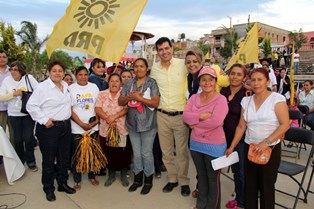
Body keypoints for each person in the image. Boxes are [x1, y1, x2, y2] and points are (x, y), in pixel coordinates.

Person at [225, 67, 290, 209]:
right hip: (250, 148)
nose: (256, 83)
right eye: (253, 80)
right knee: (250, 186)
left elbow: (285, 125)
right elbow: (241, 127)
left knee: (266, 186)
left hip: (270, 149)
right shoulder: (246, 101)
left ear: (267, 81)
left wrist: (266, 142)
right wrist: (232, 146)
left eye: (260, 80)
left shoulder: (277, 99)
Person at [27, 60, 76, 202]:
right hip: (49, 129)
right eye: (54, 70)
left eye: (60, 70)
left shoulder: (66, 86)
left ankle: (62, 183)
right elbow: (31, 106)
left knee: (64, 158)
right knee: (48, 161)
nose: (57, 73)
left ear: (64, 72)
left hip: (65, 126)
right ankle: (48, 188)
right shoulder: (42, 88)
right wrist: (44, 119)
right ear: (49, 72)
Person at [182, 66, 228, 209]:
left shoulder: (221, 99)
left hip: (214, 146)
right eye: (203, 80)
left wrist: (194, 124)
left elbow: (216, 121)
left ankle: (212, 207)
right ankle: (200, 205)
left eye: (210, 80)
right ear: (199, 82)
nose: (207, 83)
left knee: (213, 179)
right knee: (201, 177)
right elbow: (185, 116)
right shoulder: (194, 97)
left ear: (215, 81)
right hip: (196, 145)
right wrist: (200, 117)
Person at [150, 37, 191, 196]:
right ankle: (172, 179)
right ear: (157, 52)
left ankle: (184, 181)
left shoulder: (183, 64)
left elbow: (199, 71)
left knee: (181, 152)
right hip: (162, 115)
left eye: (167, 48)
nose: (164, 52)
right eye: (161, 49)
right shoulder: (154, 69)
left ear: (171, 48)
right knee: (166, 151)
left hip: (181, 115)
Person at [118, 58, 160, 195]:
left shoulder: (151, 82)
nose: (138, 69)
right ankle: (137, 179)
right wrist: (129, 97)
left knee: (146, 153)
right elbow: (120, 100)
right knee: (136, 154)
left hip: (148, 124)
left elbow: (155, 103)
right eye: (136, 66)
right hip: (132, 124)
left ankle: (148, 180)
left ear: (146, 68)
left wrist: (140, 98)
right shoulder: (129, 82)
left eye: (142, 66)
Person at [0, 61, 38, 171]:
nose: (12, 72)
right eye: (11, 69)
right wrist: (13, 94)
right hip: (13, 114)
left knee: (28, 138)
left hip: (27, 113)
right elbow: (1, 97)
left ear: (21, 70)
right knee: (17, 139)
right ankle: (20, 160)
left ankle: (31, 161)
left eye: (15, 69)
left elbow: (39, 92)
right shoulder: (7, 81)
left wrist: (24, 94)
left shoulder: (28, 78)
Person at [95, 73, 131, 187]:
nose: (114, 83)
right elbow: (97, 108)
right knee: (109, 152)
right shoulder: (102, 94)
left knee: (123, 152)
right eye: (112, 81)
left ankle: (123, 174)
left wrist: (114, 117)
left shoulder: (124, 94)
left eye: (117, 81)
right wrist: (107, 118)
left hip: (121, 128)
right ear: (108, 82)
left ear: (120, 83)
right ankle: (111, 175)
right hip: (106, 128)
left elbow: (127, 109)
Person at [68, 66, 100, 191]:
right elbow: (70, 110)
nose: (83, 77)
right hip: (77, 128)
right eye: (80, 74)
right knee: (77, 155)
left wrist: (96, 121)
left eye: (85, 74)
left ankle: (92, 176)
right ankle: (77, 179)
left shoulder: (94, 87)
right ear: (75, 74)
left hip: (92, 127)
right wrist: (81, 124)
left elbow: (98, 105)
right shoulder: (70, 89)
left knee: (92, 153)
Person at [220, 64, 247, 209]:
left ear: (244, 78)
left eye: (239, 74)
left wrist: (232, 146)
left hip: (240, 140)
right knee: (236, 170)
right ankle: (238, 197)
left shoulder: (246, 94)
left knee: (242, 172)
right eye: (232, 73)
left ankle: (242, 202)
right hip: (223, 138)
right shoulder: (222, 91)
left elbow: (243, 124)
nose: (235, 77)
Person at [0, 50, 14, 146]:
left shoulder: (13, 71)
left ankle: (15, 155)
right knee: (1, 133)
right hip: (0, 108)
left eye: (4, 57)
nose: (2, 59)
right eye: (0, 57)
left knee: (14, 133)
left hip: (12, 106)